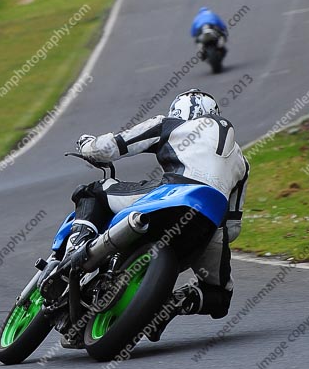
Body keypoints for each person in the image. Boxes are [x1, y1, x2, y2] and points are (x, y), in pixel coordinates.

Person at [63, 89, 249, 345]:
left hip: (171, 195)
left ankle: (75, 251)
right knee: (219, 297)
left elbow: (110, 149)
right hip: (210, 222)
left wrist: (87, 146)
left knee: (93, 192)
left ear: (179, 112)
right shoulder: (242, 161)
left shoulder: (169, 125)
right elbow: (233, 227)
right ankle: (173, 305)